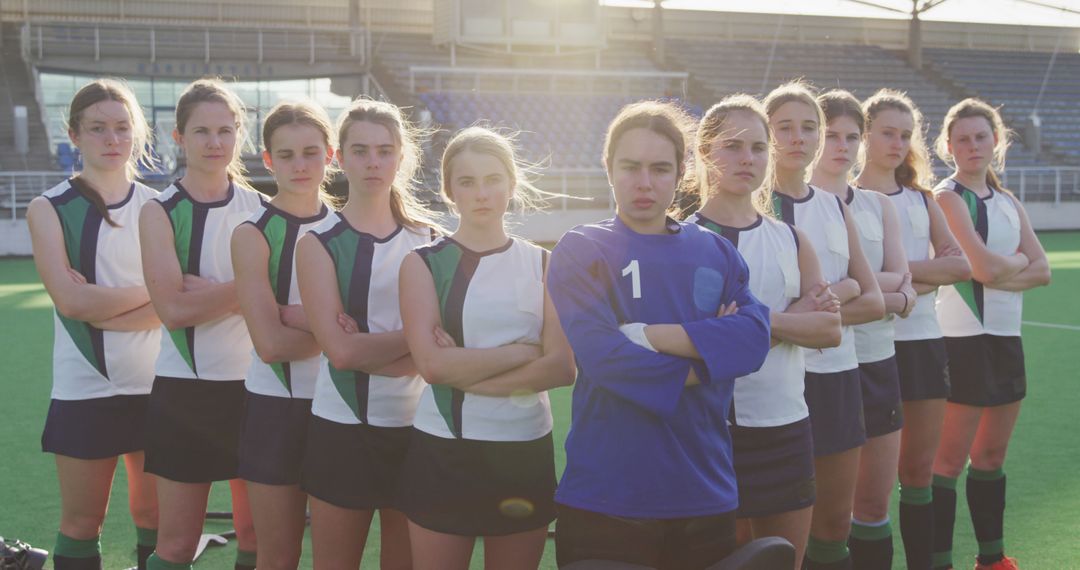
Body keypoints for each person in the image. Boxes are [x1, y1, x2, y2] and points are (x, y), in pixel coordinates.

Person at [548, 100, 772, 570]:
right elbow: (603, 358)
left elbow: (753, 338)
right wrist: (711, 354)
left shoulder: (716, 251)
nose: (644, 182)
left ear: (682, 171)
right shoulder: (581, 248)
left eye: (659, 168)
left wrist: (647, 336)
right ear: (608, 168)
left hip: (703, 491)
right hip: (606, 494)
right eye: (630, 167)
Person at [396, 126, 575, 570]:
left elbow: (561, 368)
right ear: (448, 189)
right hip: (445, 448)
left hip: (522, 449)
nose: (482, 193)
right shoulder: (422, 264)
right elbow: (433, 367)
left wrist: (469, 373)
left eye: (493, 179)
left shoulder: (545, 264)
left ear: (512, 184)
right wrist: (519, 352)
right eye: (467, 181)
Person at [685, 94, 842, 569]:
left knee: (785, 562)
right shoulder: (683, 240)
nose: (747, 159)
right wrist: (792, 319)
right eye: (732, 146)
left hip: (786, 425)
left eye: (757, 147)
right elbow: (695, 343)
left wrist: (740, 326)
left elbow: (830, 329)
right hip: (711, 433)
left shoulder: (791, 239)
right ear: (706, 153)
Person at [295, 99, 436, 570]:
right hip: (342, 430)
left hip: (419, 429)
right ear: (339, 156)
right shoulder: (317, 243)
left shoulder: (433, 240)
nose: (373, 162)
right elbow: (340, 352)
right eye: (360, 150)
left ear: (402, 156)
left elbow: (442, 353)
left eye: (384, 150)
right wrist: (418, 340)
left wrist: (378, 345)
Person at [27, 78, 161, 570]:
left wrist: (103, 302)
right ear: (74, 134)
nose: (112, 139)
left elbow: (180, 306)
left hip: (159, 385)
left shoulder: (160, 207)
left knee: (156, 518)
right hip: (86, 387)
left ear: (137, 134)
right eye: (98, 128)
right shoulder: (49, 208)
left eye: (123, 127)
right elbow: (71, 301)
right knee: (83, 524)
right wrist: (154, 295)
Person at [138, 78, 263, 570]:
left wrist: (208, 292)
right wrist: (244, 290)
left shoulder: (261, 211)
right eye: (202, 131)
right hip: (184, 394)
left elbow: (273, 303)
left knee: (255, 537)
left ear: (239, 136)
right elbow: (172, 311)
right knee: (175, 545)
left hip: (257, 392)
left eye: (226, 130)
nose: (215, 143)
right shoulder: (160, 210)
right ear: (179, 137)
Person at [764, 81, 885, 570]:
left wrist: (823, 305)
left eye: (809, 127)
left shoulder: (833, 205)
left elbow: (873, 295)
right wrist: (838, 296)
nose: (799, 138)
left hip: (836, 374)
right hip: (767, 385)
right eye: (784, 128)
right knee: (768, 526)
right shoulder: (744, 208)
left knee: (835, 524)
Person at [930, 99, 1050, 570]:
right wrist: (1008, 266)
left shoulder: (1007, 201)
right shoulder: (946, 197)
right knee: (947, 463)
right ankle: (939, 561)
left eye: (981, 137)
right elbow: (979, 268)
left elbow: (1042, 271)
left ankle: (992, 559)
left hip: (1006, 340)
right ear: (948, 146)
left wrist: (1006, 268)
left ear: (996, 140)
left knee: (991, 456)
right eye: (962, 138)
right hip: (961, 342)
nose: (972, 146)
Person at [856, 89, 973, 570]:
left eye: (905, 135)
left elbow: (960, 267)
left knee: (919, 473)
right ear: (866, 135)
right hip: (866, 351)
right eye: (887, 132)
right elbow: (854, 280)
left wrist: (898, 277)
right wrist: (918, 276)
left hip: (923, 344)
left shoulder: (923, 200)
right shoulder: (843, 199)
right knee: (867, 489)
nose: (898, 143)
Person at [812, 89, 917, 569]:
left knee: (873, 509)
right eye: (831, 134)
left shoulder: (877, 205)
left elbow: (904, 283)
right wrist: (881, 294)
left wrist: (853, 291)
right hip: (815, 372)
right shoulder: (788, 208)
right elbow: (891, 289)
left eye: (852, 136)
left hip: (876, 364)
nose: (842, 146)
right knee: (818, 516)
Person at [231, 101, 334, 569]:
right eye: (286, 155)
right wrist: (337, 332)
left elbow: (378, 323)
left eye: (311, 152)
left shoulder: (350, 229)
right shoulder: (253, 233)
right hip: (275, 410)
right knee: (278, 554)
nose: (300, 165)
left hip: (344, 409)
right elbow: (269, 345)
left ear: (330, 155)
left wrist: (295, 315)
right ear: (268, 160)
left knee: (335, 555)